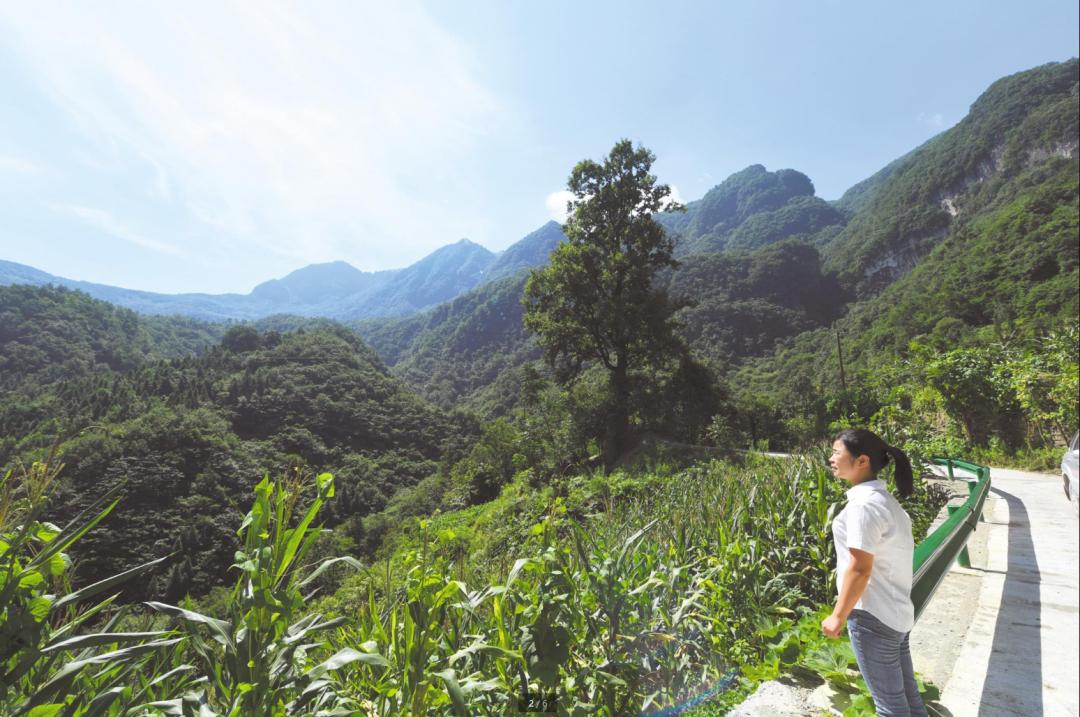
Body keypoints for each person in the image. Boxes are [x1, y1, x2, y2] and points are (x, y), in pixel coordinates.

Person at [821, 428, 928, 717]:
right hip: (896, 613)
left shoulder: (864, 506)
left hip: (873, 616)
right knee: (909, 700)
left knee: (890, 707)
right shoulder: (885, 501)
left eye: (836, 452)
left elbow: (860, 568)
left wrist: (838, 615)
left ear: (862, 460)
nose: (831, 458)